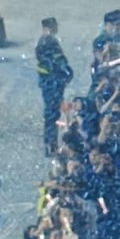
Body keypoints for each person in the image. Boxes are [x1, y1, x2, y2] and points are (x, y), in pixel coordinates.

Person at [35, 16, 73, 156]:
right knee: (52, 114)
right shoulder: (49, 41)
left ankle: (51, 144)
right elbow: (58, 61)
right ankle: (51, 145)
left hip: (50, 82)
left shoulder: (44, 41)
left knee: (52, 113)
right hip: (52, 82)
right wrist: (67, 72)